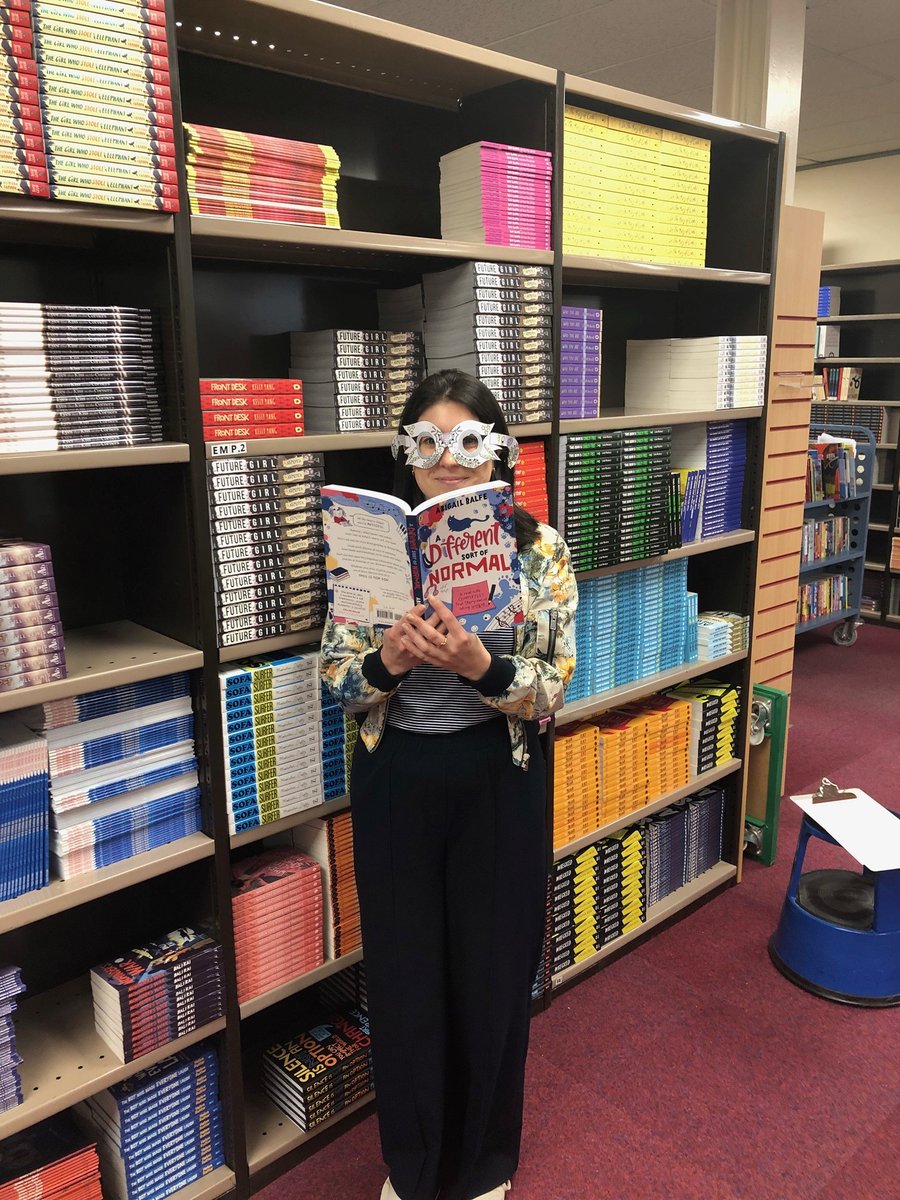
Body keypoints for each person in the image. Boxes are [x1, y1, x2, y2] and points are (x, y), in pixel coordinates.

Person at [320, 370, 578, 1200]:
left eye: (469, 441)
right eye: (427, 443)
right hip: (398, 778)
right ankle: (416, 1163)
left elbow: (553, 687)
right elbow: (336, 683)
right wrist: (383, 662)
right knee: (405, 978)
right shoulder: (364, 545)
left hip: (496, 782)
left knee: (493, 973)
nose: (449, 460)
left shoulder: (540, 551)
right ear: (407, 455)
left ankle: (482, 1164)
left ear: (498, 449)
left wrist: (482, 666)